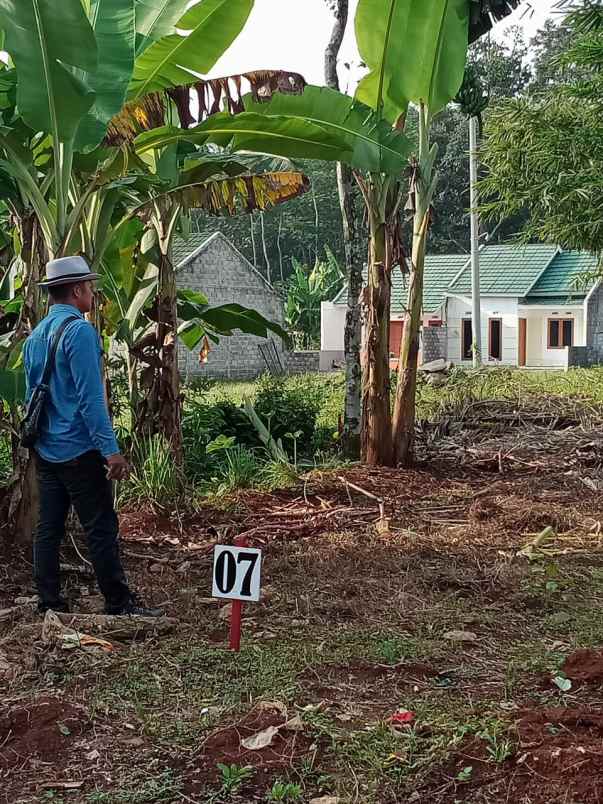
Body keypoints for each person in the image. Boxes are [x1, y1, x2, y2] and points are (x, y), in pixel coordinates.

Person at [24, 256, 163, 617]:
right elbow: (91, 399)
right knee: (100, 527)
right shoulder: (80, 332)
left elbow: (31, 397)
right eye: (89, 287)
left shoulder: (35, 337)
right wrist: (110, 451)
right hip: (79, 449)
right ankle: (118, 602)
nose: (93, 293)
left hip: (46, 448)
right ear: (76, 290)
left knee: (48, 528)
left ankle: (49, 602)